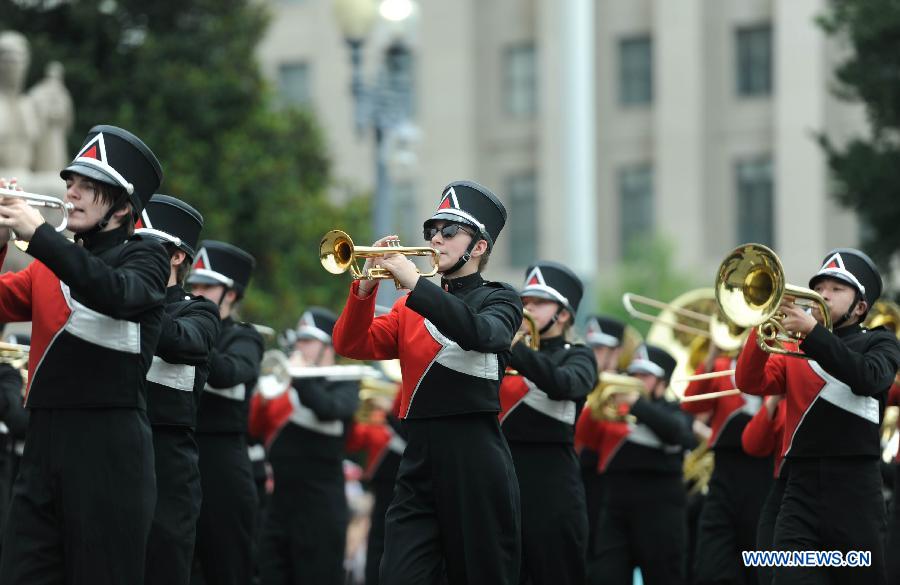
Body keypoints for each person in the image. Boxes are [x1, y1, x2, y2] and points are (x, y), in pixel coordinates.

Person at [332, 180, 523, 585]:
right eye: (432, 230)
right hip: (418, 459)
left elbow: (483, 335)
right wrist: (365, 288)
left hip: (474, 459)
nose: (436, 238)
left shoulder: (501, 299)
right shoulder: (408, 308)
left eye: (449, 231)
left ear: (480, 247)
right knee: (398, 574)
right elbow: (351, 342)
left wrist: (417, 284)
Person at [0, 124, 167, 584]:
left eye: (87, 187)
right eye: (70, 182)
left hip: (108, 450)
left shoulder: (147, 256)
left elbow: (113, 292)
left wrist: (39, 238)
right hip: (41, 444)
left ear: (121, 207)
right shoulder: (49, 262)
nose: (69, 194)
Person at [735, 248, 900, 585]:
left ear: (860, 307)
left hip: (855, 492)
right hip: (799, 489)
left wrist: (813, 334)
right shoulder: (795, 347)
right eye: (820, 286)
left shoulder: (880, 343)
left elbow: (868, 378)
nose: (823, 294)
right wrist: (762, 322)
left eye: (837, 289)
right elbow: (748, 381)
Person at [136, 195, 220, 585]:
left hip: (168, 459)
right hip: (115, 447)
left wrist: (135, 295)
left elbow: (181, 342)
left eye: (148, 247)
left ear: (175, 257)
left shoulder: (199, 311)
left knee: (162, 565)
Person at [498, 261, 597, 584]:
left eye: (538, 303)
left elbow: (564, 384)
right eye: (525, 302)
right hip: (502, 482)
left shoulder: (578, 355)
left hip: (552, 490)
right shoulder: (504, 352)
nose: (527, 308)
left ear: (564, 314)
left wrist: (515, 348)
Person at [249, 307, 360, 585]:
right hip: (278, 506)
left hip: (320, 509)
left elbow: (328, 409)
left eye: (307, 340)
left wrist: (299, 378)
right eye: (298, 340)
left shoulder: (345, 382)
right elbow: (252, 431)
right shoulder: (283, 384)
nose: (299, 347)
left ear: (328, 347)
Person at [188, 241, 265, 585]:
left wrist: (184, 339)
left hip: (223, 463)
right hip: (181, 452)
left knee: (226, 565)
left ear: (230, 295)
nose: (196, 293)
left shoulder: (244, 338)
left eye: (207, 287)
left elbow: (228, 373)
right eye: (194, 285)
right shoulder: (184, 325)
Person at [587, 344, 697, 585]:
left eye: (644, 375)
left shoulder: (675, 410)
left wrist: (637, 403)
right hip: (616, 503)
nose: (635, 380)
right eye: (634, 374)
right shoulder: (614, 411)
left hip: (661, 508)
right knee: (605, 576)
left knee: (664, 577)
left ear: (663, 382)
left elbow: (680, 433)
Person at [681, 344, 770, 585]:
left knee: (757, 564)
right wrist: (712, 352)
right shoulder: (721, 368)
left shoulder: (779, 368)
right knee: (712, 563)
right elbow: (691, 404)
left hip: (765, 479)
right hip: (725, 477)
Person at [741, 394, 786, 585]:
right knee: (769, 573)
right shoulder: (782, 397)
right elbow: (753, 444)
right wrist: (774, 399)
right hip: (783, 490)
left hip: (829, 491)